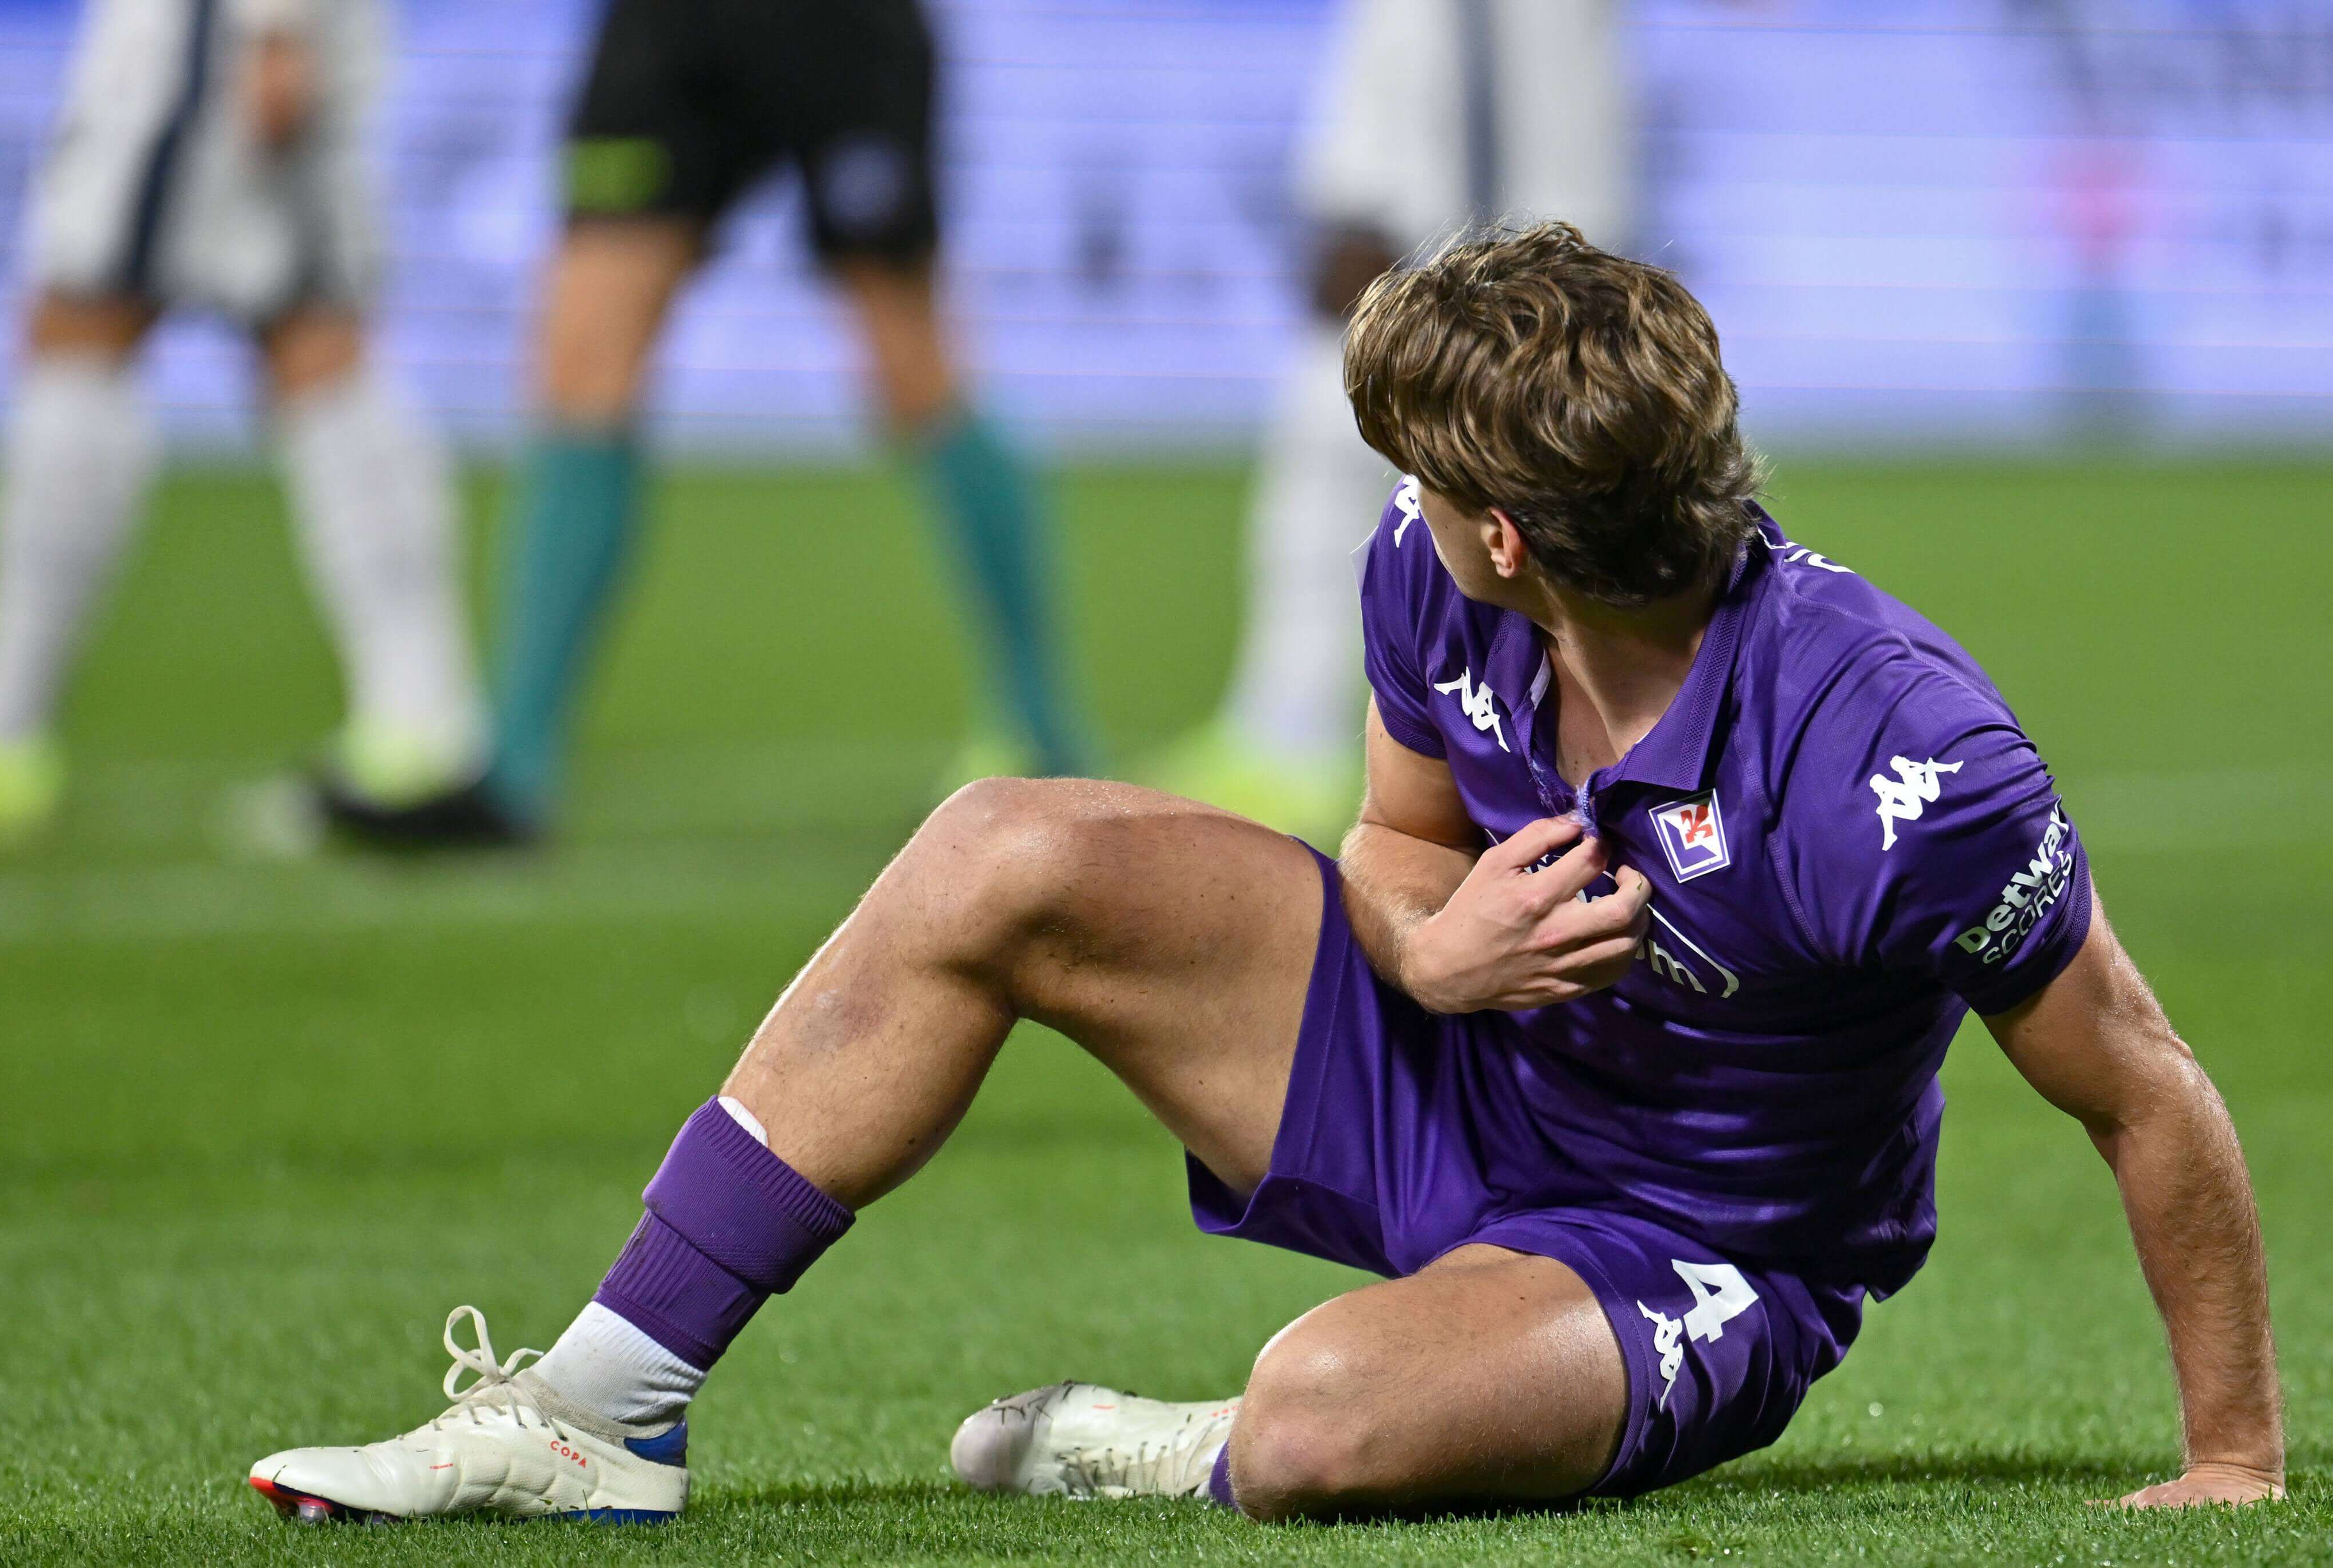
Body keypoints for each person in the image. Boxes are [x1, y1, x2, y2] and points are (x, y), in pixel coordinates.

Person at [246, 223, 2282, 1524]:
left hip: (1688, 1245)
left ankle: (1177, 1441)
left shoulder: (1896, 760)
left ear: (1512, 532)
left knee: (1313, 1434)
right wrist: (1437, 944)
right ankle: (601, 1409)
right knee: (1007, 845)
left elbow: (2142, 1086)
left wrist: (2229, 1465)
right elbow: (1390, 849)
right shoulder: (1436, 580)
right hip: (1454, 1068)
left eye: (1419, 472)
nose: (1393, 499)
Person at [343, 0, 1089, 847]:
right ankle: (515, 772)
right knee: (581, 363)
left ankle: (1044, 732)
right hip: (670, 30)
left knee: (912, 368)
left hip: (835, 29)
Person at [0, 0, 486, 848]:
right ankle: (420, 720)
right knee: (300, 340)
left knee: (104, 320)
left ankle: (3, 731)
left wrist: (276, 28)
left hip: (208, 39)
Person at [1158, 0, 1629, 842]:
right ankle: (1288, 728)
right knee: (1343, 416)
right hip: (1423, 112)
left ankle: (1553, 746)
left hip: (1483, 122)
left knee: (1501, 428)